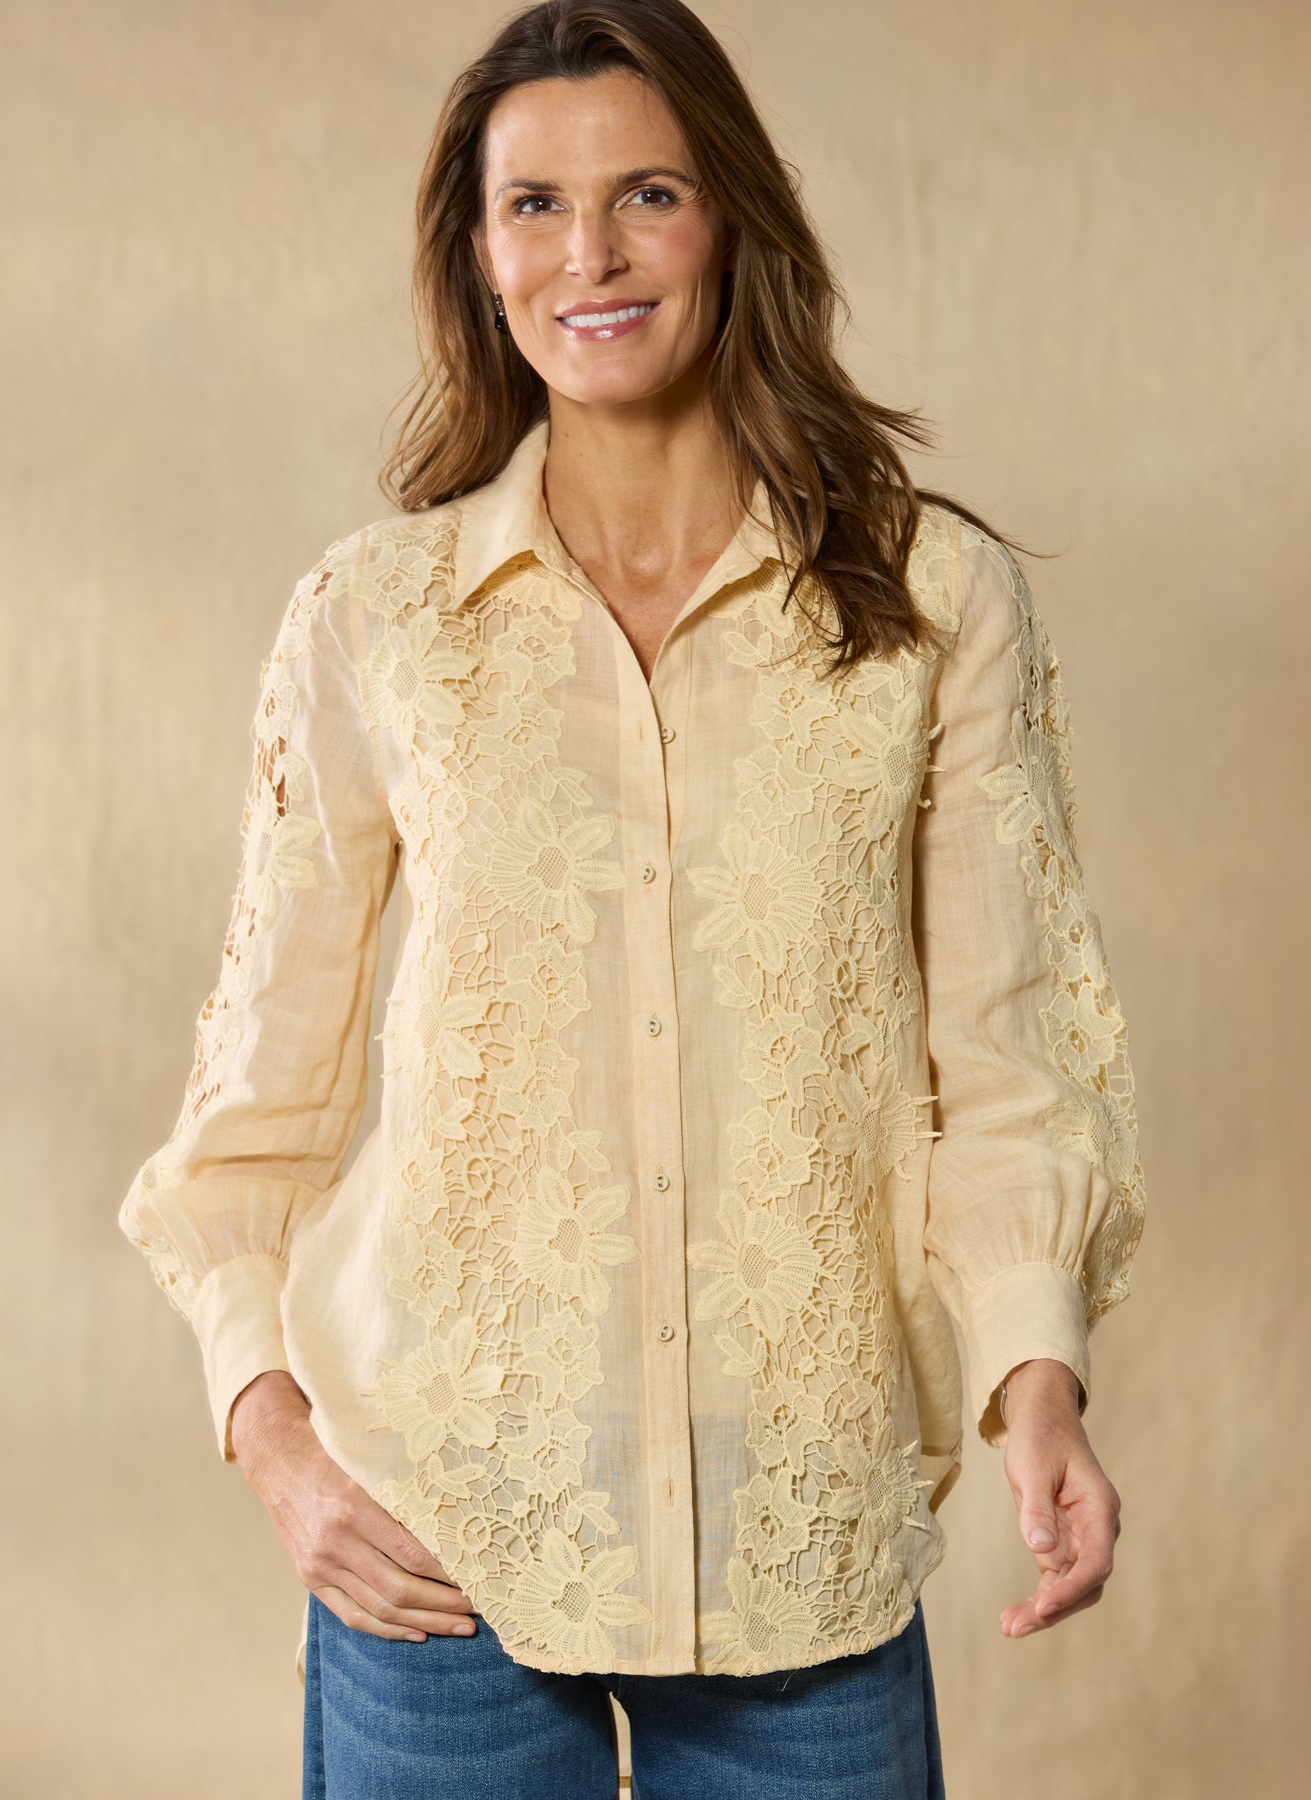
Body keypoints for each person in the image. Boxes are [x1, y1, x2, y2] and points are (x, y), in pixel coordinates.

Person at [117, 2, 1147, 1793]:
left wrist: (1035, 1382)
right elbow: (257, 1094)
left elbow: (1008, 1058)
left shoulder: (931, 603)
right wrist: (274, 1441)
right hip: (441, 1526)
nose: (587, 254)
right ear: (479, 254)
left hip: (801, 1528)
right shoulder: (375, 620)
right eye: (534, 205)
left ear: (730, 219)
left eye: (645, 194)